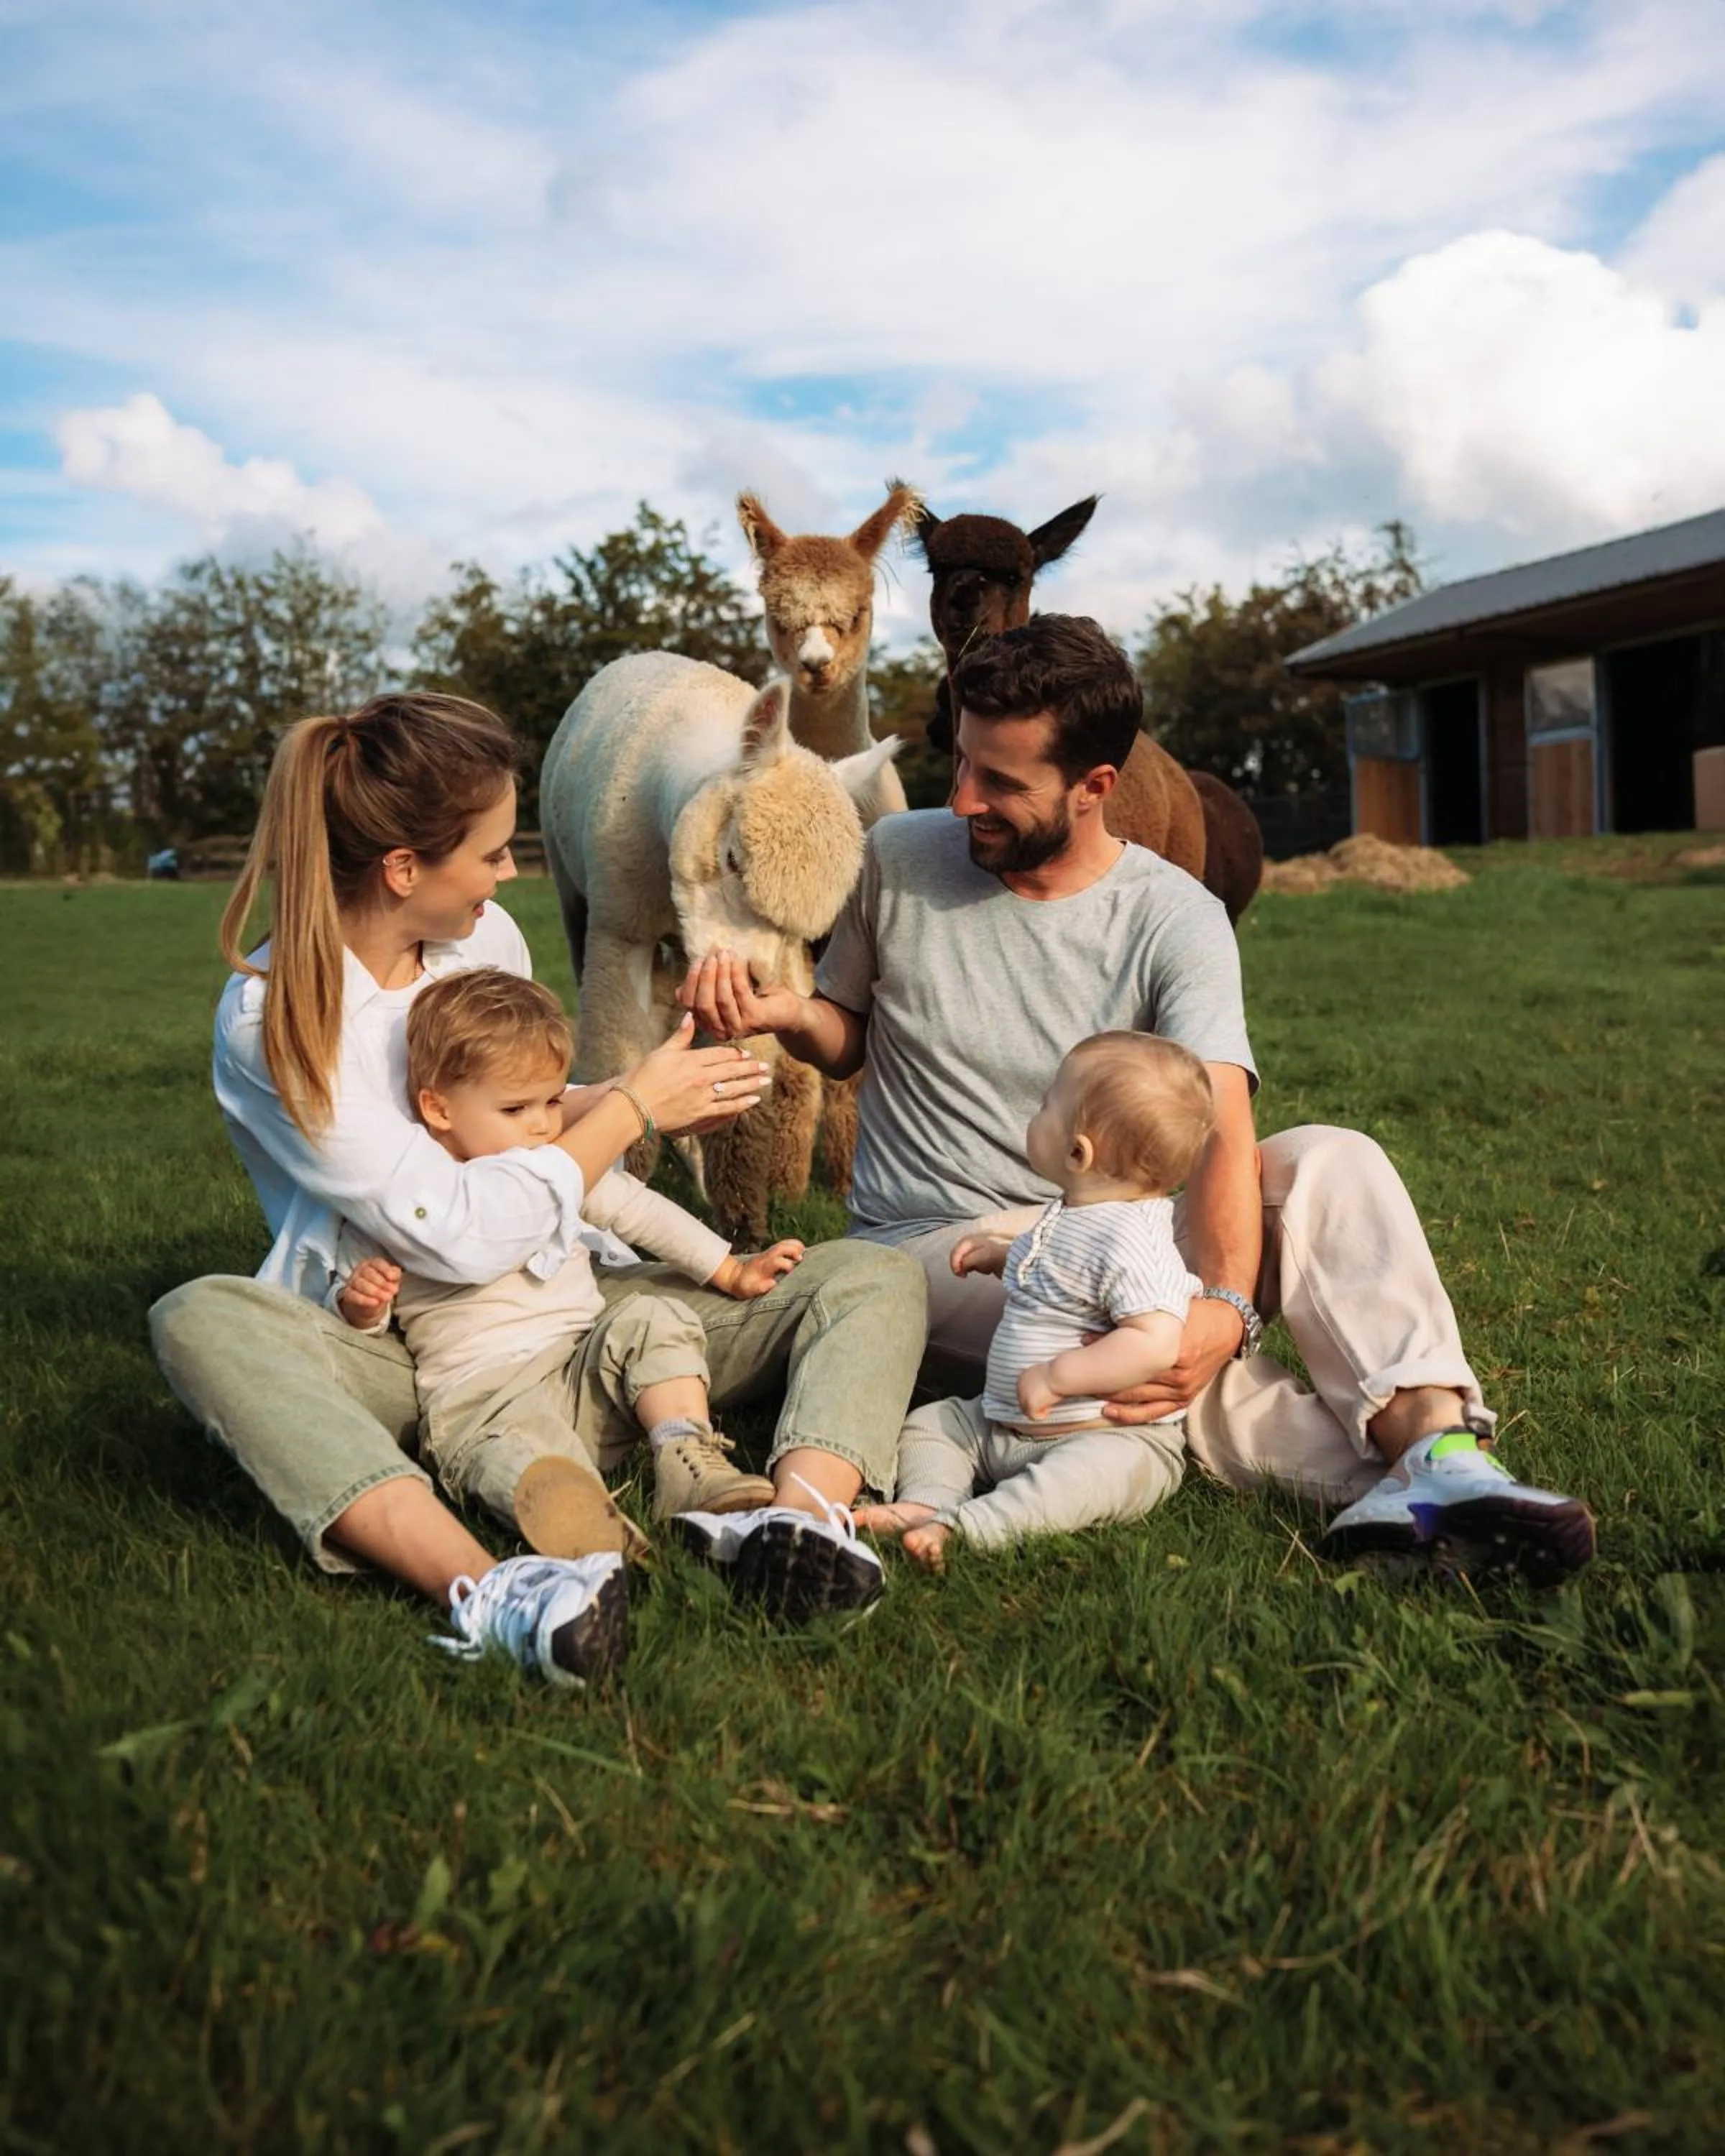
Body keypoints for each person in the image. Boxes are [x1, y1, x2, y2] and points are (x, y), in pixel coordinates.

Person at [682, 615, 1596, 1586]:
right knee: (1121, 1339)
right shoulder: (899, 858)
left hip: (1123, 1215)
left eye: (1002, 782)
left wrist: (1225, 1311)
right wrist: (788, 1014)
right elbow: (849, 1032)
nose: (963, 800)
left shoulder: (1175, 917)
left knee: (1333, 1158)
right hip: (939, 1246)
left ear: (1096, 787)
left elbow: (1223, 1133)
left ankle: (1434, 1450)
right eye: (962, 765)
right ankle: (1429, 1478)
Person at [149, 692, 922, 1692]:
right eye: (493, 853)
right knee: (201, 1317)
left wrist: (648, 1092)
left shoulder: (483, 947)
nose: (511, 875)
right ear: (403, 870)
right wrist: (631, 1111)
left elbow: (538, 1112)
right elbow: (453, 1234)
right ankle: (494, 1591)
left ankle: (792, 1523)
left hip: (585, 1305)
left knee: (871, 1277)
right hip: (412, 1348)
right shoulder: (277, 1018)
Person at [332, 966, 805, 1560]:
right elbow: (358, 1296)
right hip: (485, 1399)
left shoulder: (554, 1165)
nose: (542, 1123)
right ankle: (580, 1523)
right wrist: (362, 1306)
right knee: (504, 1456)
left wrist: (728, 1268)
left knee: (650, 1319)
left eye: (554, 1100)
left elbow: (637, 1209)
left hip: (583, 1367)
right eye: (516, 1108)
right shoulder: (408, 1196)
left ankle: (688, 1458)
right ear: (439, 1108)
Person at [856, 1031, 1213, 1568]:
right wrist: (1002, 1255)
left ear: (1078, 1151)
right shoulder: (1076, 1210)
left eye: (1048, 1104)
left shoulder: (1133, 1240)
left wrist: (1059, 1378)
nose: (1037, 1109)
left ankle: (978, 1524)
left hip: (1104, 1437)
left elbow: (1156, 1341)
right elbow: (1058, 1275)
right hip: (998, 1426)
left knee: (1081, 1482)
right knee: (933, 1425)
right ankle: (929, 1502)